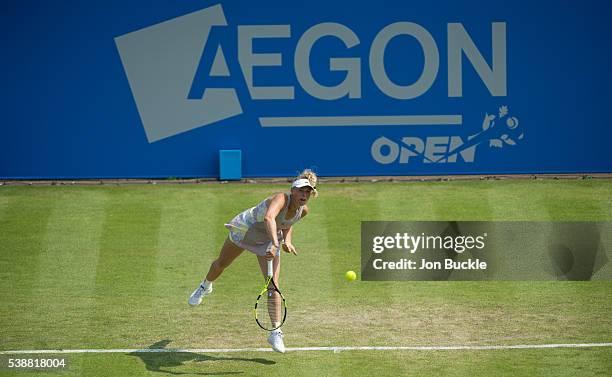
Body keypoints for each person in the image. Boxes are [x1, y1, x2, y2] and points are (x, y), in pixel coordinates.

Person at [188, 169, 318, 353]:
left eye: (308, 192)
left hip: (268, 239)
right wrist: (275, 243)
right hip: (246, 231)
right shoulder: (281, 198)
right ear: (293, 190)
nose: (304, 195)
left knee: (273, 285)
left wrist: (287, 242)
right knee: (221, 264)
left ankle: (275, 331)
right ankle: (205, 286)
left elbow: (287, 225)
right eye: (301, 191)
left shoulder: (303, 211)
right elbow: (269, 217)